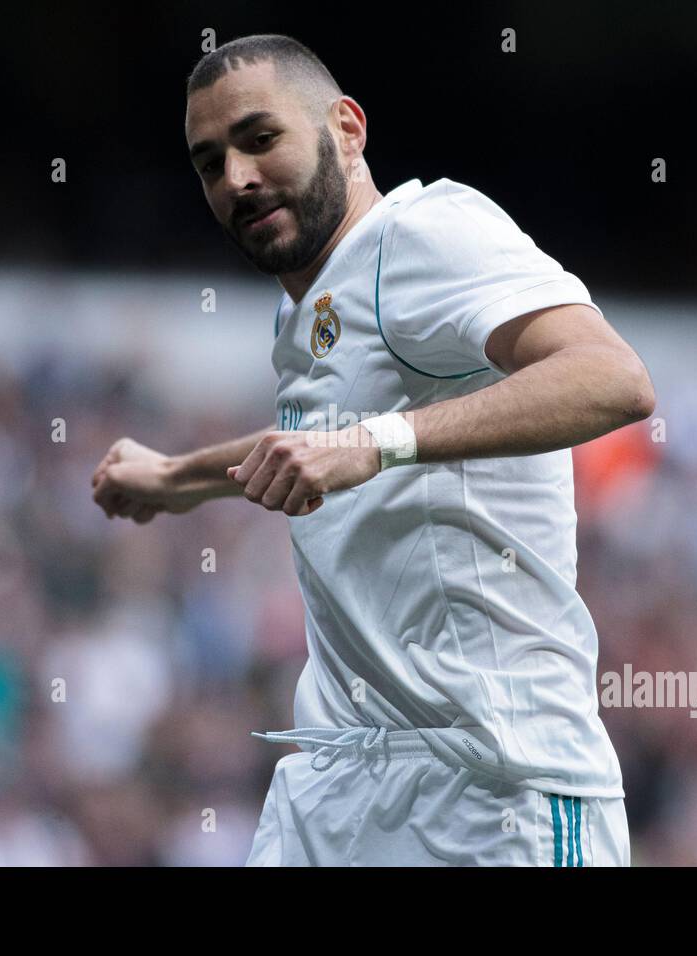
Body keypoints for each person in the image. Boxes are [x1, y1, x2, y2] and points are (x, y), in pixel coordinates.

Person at [92, 34, 654, 866]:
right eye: (209, 162)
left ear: (346, 130)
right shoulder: (310, 305)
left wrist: (378, 442)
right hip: (340, 774)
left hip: (495, 791)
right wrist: (179, 477)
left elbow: (613, 377)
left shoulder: (427, 231)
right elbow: (329, 437)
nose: (236, 178)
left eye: (259, 138)